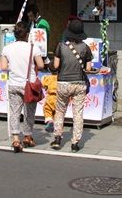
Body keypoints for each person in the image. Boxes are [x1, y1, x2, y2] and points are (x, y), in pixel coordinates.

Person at [0, 21, 44, 152]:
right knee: (29, 111)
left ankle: (15, 139)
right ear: (27, 34)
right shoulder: (33, 48)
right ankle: (28, 136)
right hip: (29, 84)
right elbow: (40, 65)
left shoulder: (7, 48)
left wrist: (13, 67)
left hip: (13, 83)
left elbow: (3, 67)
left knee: (14, 112)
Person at [50, 19, 93, 152]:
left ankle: (57, 138)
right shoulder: (85, 48)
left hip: (63, 82)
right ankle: (75, 143)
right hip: (79, 83)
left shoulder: (61, 46)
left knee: (60, 110)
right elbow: (88, 68)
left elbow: (56, 66)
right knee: (78, 113)